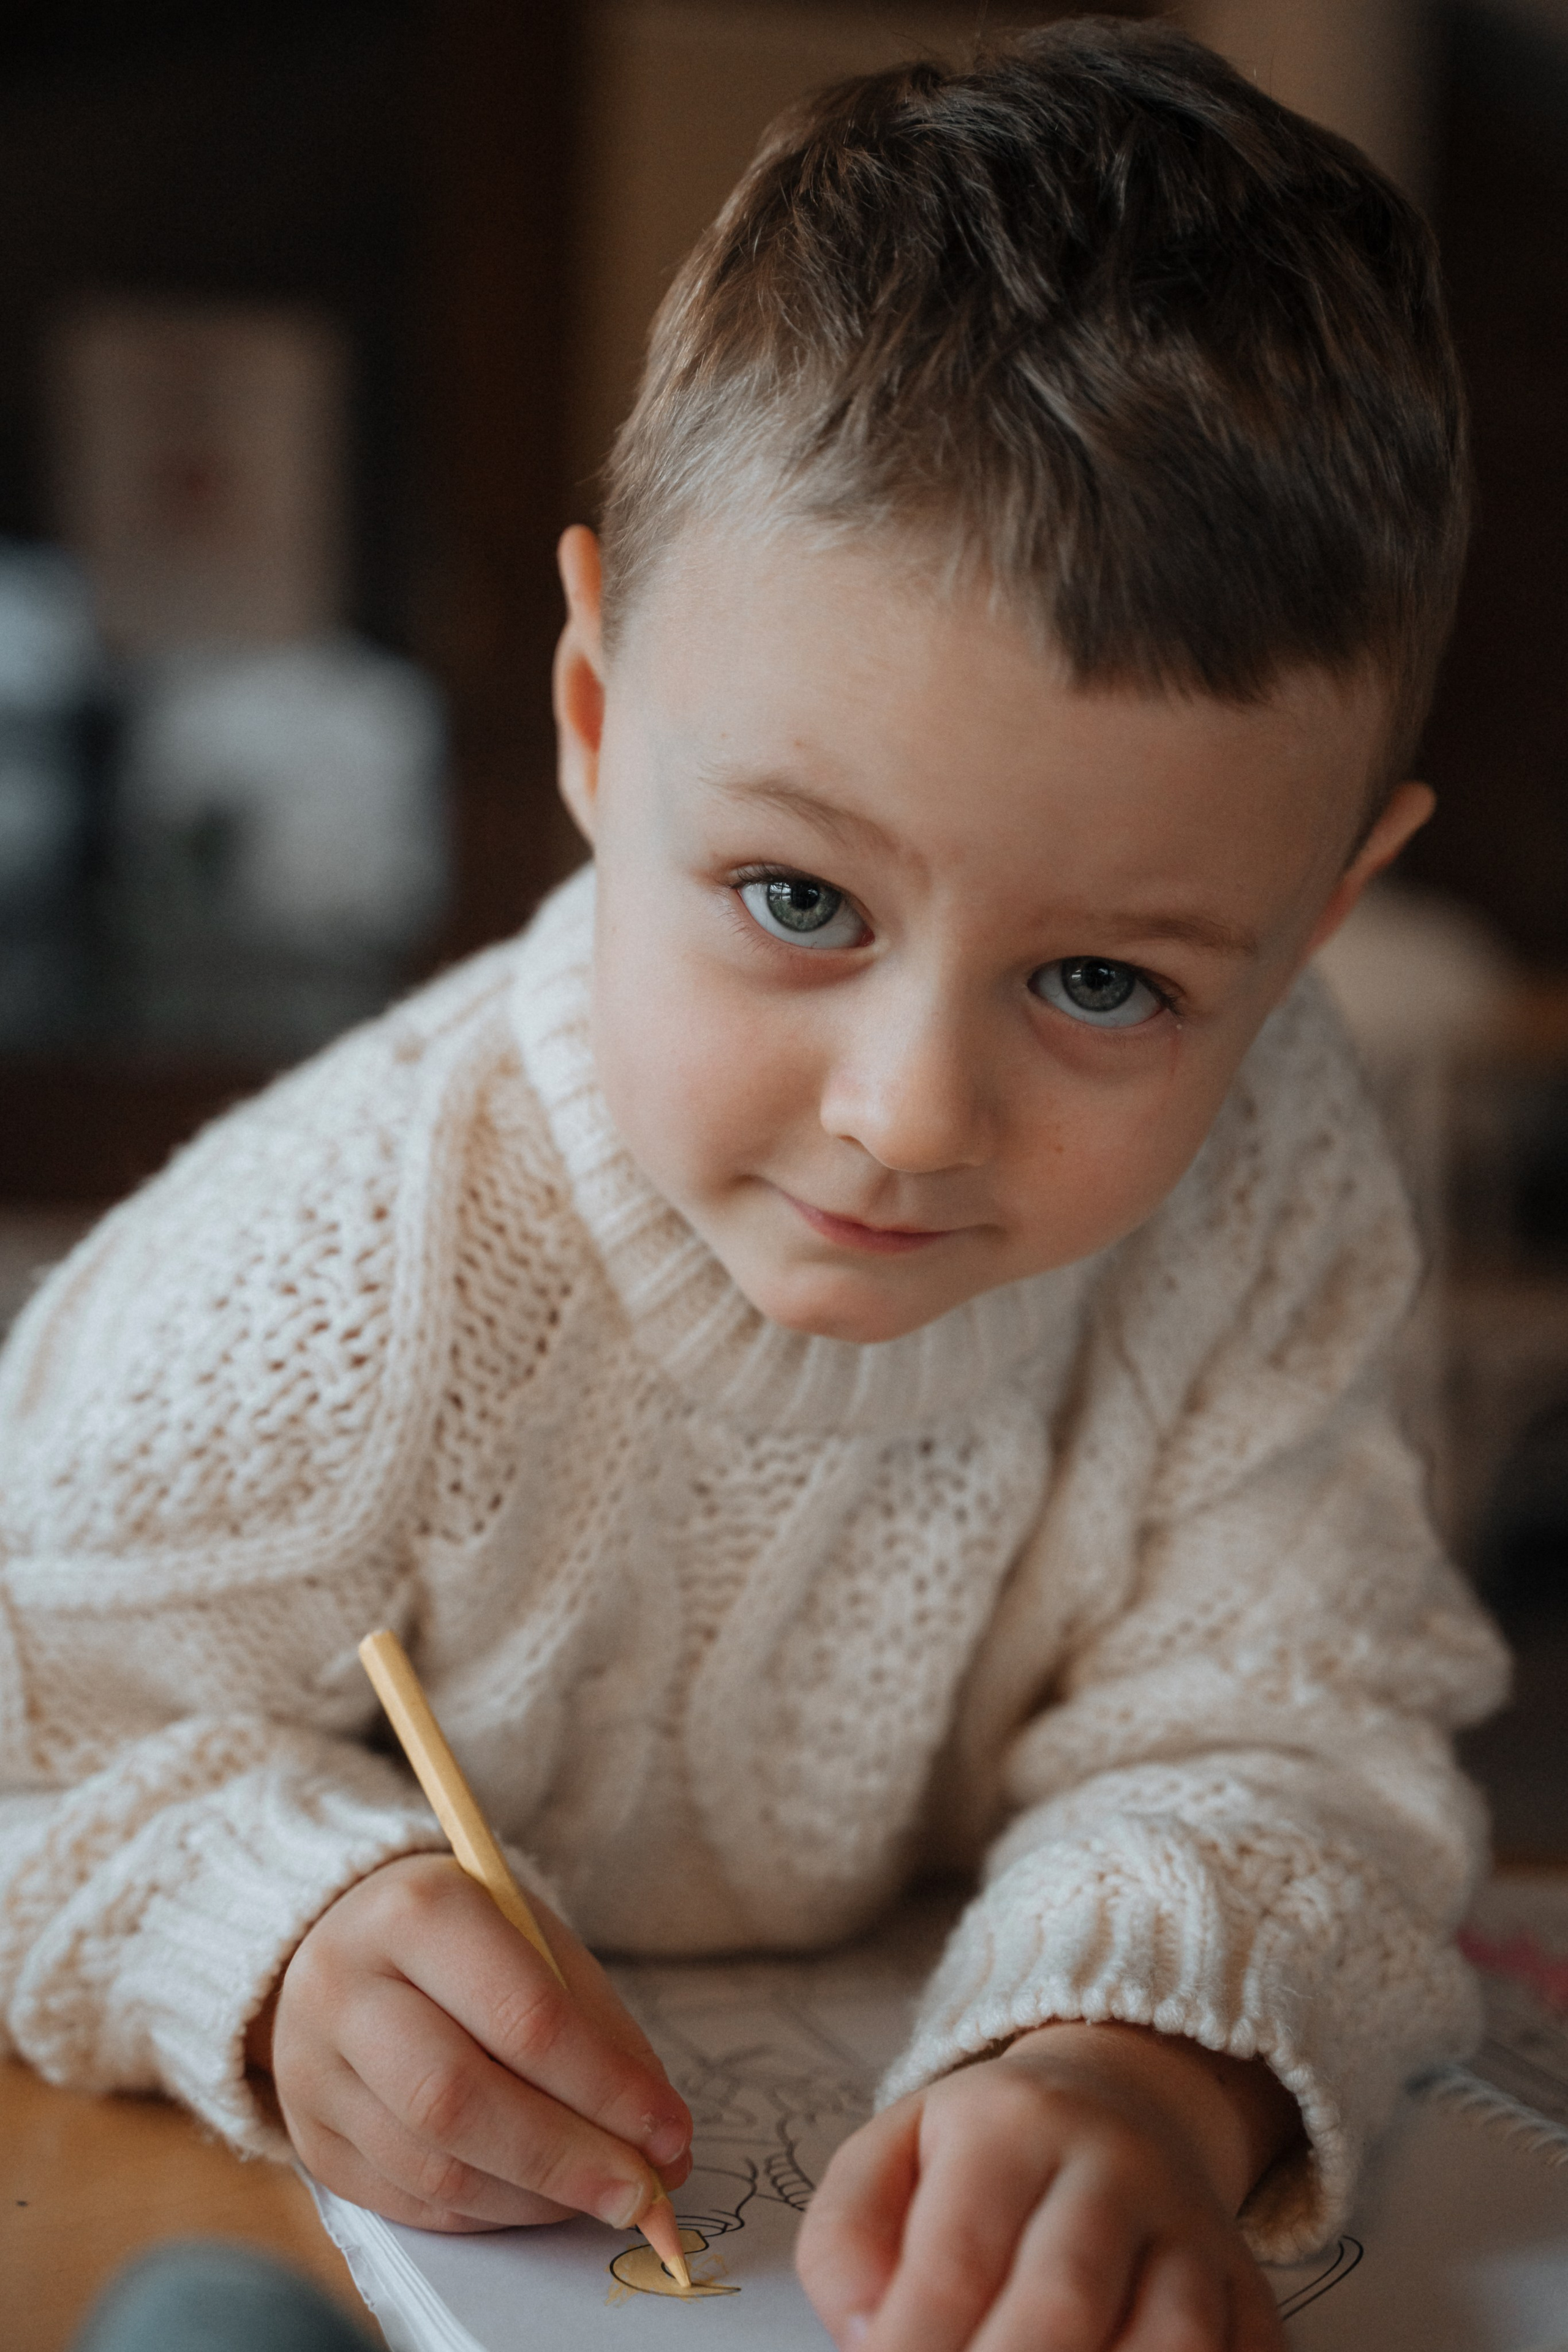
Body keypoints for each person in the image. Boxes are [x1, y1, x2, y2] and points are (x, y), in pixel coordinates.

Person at [0, 21, 1509, 2352]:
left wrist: (1132, 2062)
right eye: (802, 902)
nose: (909, 1114)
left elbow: (1280, 1716)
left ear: (1314, 925)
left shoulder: (1273, 1184)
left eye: (1105, 979)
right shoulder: (324, 1282)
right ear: (600, 725)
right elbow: (31, 1733)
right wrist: (265, 1931)